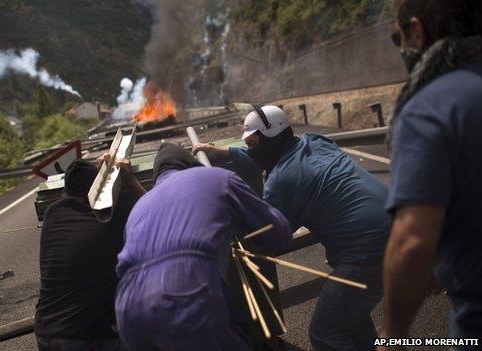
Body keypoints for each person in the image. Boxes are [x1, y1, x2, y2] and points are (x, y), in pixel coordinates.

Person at [193, 106, 391, 351]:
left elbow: (271, 237)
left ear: (271, 139)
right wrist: (224, 152)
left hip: (367, 252)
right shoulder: (315, 142)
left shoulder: (281, 182)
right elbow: (269, 155)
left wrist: (228, 216)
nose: (252, 150)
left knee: (327, 332)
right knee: (349, 321)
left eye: (254, 143)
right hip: (398, 224)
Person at [114, 142, 292, 351]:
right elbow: (278, 233)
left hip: (127, 309)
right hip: (185, 290)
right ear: (192, 164)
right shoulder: (215, 177)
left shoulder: (141, 207)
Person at [381, 0, 482, 348]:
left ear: (416, 29)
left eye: (399, 38)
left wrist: (393, 337)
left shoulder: (430, 108)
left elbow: (411, 243)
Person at [35, 159, 135, 351]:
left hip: (46, 332)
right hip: (87, 337)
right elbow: (150, 211)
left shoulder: (52, 213)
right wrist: (127, 179)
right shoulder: (109, 218)